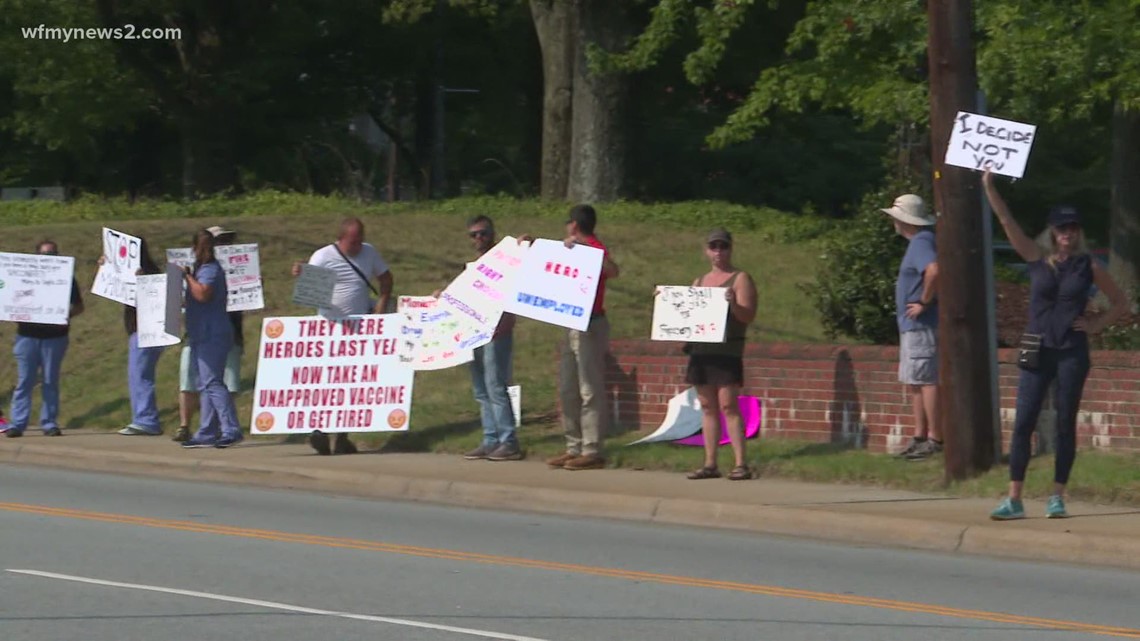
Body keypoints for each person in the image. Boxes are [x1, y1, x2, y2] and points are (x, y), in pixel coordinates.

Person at [983, 169, 1127, 520]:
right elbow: (1005, 221)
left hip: (1071, 352)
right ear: (1052, 231)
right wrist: (988, 185)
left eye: (1073, 228)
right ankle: (1014, 497)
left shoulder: (1088, 265)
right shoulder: (1035, 257)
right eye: (1062, 228)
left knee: (1065, 422)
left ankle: (1057, 495)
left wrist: (1094, 325)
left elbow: (1121, 302)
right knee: (1024, 422)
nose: (1067, 234)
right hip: (1037, 347)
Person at [519, 204, 620, 471]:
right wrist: (531, 246)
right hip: (569, 324)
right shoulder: (568, 249)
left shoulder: (594, 249)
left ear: (574, 225)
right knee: (567, 388)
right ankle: (572, 446)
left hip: (591, 323)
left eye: (568, 223)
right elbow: (546, 265)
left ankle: (592, 449)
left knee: (589, 388)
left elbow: (612, 270)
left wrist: (584, 253)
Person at [291, 216, 394, 455]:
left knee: (350, 384)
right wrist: (301, 274)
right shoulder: (323, 256)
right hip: (329, 328)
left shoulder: (369, 253)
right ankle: (320, 431)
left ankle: (342, 437)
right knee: (325, 382)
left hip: (359, 328)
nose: (358, 246)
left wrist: (381, 305)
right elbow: (310, 289)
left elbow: (386, 278)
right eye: (353, 241)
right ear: (341, 239)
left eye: (361, 240)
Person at [434, 215, 521, 461]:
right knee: (481, 390)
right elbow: (460, 294)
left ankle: (509, 441)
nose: (479, 238)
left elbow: (526, 261)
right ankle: (490, 439)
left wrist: (524, 244)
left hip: (498, 333)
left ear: (492, 234)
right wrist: (443, 295)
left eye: (483, 233)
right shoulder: (473, 267)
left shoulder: (506, 259)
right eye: (473, 235)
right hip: (474, 334)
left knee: (496, 386)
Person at [681, 228, 758, 481]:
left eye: (722, 246)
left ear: (730, 249)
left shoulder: (739, 279)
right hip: (702, 351)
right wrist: (667, 303)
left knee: (728, 404)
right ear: (706, 250)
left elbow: (748, 316)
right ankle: (710, 462)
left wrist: (733, 304)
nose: (718, 252)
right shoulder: (699, 282)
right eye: (713, 247)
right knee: (707, 406)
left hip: (726, 351)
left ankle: (740, 463)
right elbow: (687, 315)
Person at [882, 194, 943, 461]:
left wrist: (924, 301)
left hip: (921, 326)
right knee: (915, 381)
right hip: (912, 326)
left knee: (926, 380)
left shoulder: (921, 242)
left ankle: (935, 437)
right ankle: (920, 435)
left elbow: (934, 270)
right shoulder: (920, 242)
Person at [4, 240, 84, 438]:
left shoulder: (67, 279)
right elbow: (9, 296)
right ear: (37, 256)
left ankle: (49, 423)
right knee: (25, 380)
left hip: (55, 337)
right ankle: (18, 423)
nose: (49, 257)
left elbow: (79, 306)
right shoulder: (22, 277)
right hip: (26, 337)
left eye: (53, 254)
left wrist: (67, 314)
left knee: (50, 380)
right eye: (45, 254)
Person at [173, 226, 245, 443]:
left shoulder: (210, 269)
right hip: (200, 333)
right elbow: (194, 299)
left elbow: (203, 293)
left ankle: (231, 429)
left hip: (212, 334)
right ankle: (207, 431)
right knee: (205, 384)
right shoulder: (200, 268)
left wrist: (186, 277)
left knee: (213, 383)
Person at [98, 237, 167, 436]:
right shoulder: (129, 271)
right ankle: (141, 418)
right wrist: (106, 267)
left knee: (141, 375)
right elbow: (111, 286)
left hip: (148, 331)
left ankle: (147, 420)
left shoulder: (151, 272)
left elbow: (155, 298)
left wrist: (141, 280)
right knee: (136, 375)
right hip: (139, 331)